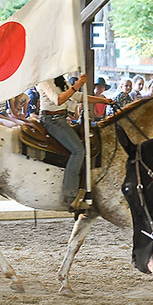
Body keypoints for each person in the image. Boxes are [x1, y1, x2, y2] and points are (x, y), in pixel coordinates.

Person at [35, 73, 113, 211]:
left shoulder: (59, 79)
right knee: (78, 151)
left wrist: (101, 101)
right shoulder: (44, 80)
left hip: (60, 119)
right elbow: (58, 100)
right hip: (51, 120)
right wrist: (78, 85)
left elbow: (76, 97)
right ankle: (69, 195)